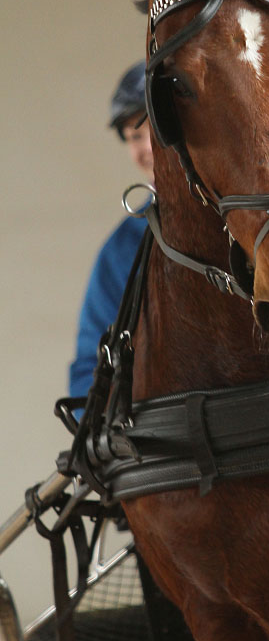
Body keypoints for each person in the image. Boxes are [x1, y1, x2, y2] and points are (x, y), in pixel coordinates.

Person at [69, 61, 152, 398]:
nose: (145, 148)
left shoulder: (242, 217)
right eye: (134, 136)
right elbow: (88, 368)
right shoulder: (123, 248)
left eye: (152, 130)